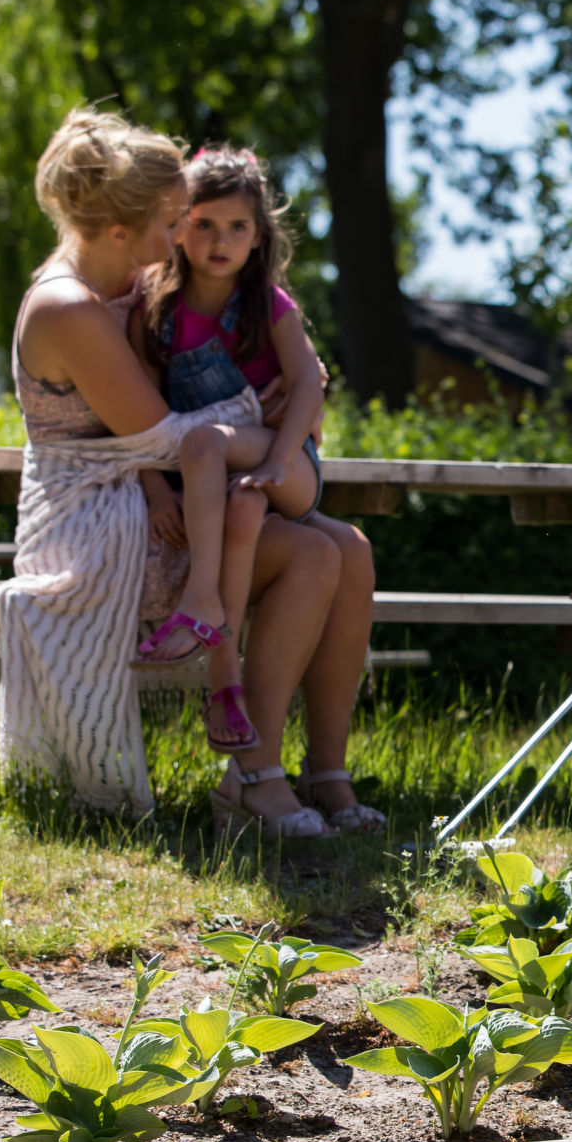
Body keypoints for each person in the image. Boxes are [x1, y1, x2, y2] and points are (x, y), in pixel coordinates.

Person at [0, 107, 349, 835]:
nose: (177, 242)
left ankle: (313, 775)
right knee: (314, 552)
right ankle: (253, 775)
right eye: (172, 222)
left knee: (350, 550)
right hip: (92, 531)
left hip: (144, 503)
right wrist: (265, 413)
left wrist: (299, 382)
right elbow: (158, 437)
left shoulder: (117, 281)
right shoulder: (68, 308)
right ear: (122, 229)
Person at [126, 147, 328, 763]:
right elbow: (132, 413)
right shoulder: (156, 306)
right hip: (218, 476)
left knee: (204, 438)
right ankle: (225, 685)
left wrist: (278, 458)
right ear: (177, 225)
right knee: (240, 513)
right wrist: (158, 491)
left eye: (238, 227)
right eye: (204, 224)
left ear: (258, 234)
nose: (221, 240)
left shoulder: (268, 304)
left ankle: (200, 601)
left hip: (286, 463)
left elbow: (308, 384)